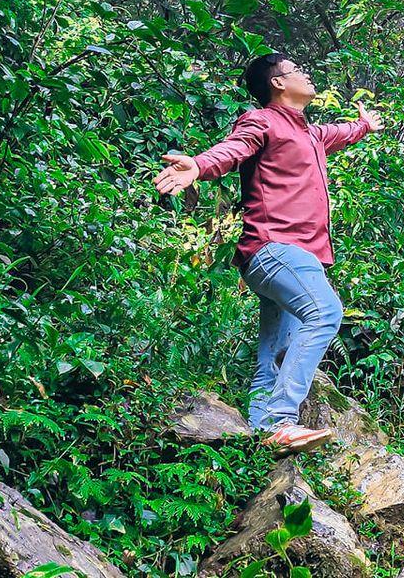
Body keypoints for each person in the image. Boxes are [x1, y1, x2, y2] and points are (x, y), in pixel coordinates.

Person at [154, 53, 382, 453]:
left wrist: (364, 125)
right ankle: (280, 420)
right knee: (325, 313)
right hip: (277, 248)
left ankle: (260, 440)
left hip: (294, 256)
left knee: (275, 356)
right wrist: (198, 165)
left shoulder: (310, 133)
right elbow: (232, 150)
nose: (306, 74)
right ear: (278, 83)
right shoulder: (262, 121)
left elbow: (340, 132)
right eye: (297, 70)